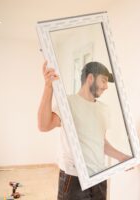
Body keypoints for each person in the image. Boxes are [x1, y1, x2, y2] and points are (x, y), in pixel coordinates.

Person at [38, 61, 130, 200]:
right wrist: (48, 86)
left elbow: (101, 143)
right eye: (103, 81)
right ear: (90, 78)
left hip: (99, 178)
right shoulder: (68, 103)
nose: (106, 87)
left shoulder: (103, 109)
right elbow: (44, 125)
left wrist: (121, 157)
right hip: (75, 179)